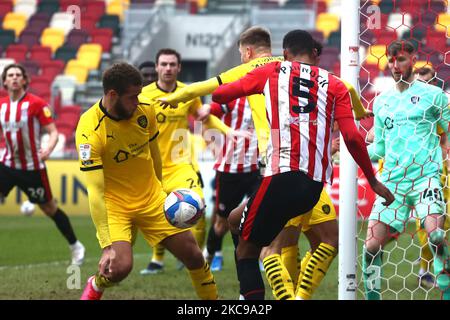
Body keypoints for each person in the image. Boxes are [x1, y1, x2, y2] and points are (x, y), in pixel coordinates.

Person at [159, 26, 374, 300]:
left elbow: (209, 89)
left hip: (277, 163)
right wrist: (360, 110)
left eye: (240, 55)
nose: (241, 60)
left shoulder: (258, 71)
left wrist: (174, 97)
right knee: (305, 239)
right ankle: (291, 296)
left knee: (276, 242)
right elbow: (347, 87)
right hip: (309, 168)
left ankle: (265, 294)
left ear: (248, 52)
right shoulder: (299, 71)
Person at [212, 29, 394, 300]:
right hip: (312, 186)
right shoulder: (336, 84)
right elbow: (353, 137)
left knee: (246, 254)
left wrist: (250, 74)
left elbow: (220, 96)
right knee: (236, 219)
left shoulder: (272, 71)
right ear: (316, 54)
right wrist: (374, 180)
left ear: (285, 53)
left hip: (281, 176)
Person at [76, 62, 217, 300]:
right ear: (113, 95)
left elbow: (155, 155)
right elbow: (96, 192)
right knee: (119, 269)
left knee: (194, 256)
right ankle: (96, 285)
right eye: (132, 97)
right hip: (116, 207)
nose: (138, 101)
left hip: (152, 199)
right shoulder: (89, 131)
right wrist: (106, 246)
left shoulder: (145, 110)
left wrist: (161, 191)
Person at [136, 48, 242, 275]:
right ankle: (157, 259)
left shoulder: (188, 93)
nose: (168, 69)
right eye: (163, 64)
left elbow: (205, 117)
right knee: (156, 215)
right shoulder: (144, 96)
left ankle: (193, 256)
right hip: (152, 167)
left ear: (179, 68)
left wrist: (227, 130)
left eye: (172, 64)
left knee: (199, 207)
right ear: (156, 67)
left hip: (181, 163)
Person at [363, 40, 450, 300]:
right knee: (370, 247)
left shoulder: (434, 96)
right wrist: (351, 153)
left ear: (413, 59)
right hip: (392, 183)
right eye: (391, 60)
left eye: (400, 59)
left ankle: (445, 287)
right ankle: (373, 297)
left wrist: (445, 152)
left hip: (425, 178)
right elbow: (379, 146)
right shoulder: (381, 103)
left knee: (435, 235)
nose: (395, 65)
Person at [0, 63, 85, 265]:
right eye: (10, 75)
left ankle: (76, 245)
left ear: (24, 80)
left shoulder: (37, 104)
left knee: (49, 209)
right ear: (4, 81)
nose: (13, 78)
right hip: (6, 164)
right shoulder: (1, 105)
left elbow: (53, 132)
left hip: (32, 168)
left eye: (17, 75)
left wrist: (48, 149)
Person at [204, 97, 260, 272]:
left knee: (260, 215)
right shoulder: (233, 99)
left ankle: (258, 257)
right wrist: (214, 148)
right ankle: (209, 256)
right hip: (230, 172)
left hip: (257, 170)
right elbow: (205, 114)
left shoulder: (269, 97)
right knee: (222, 223)